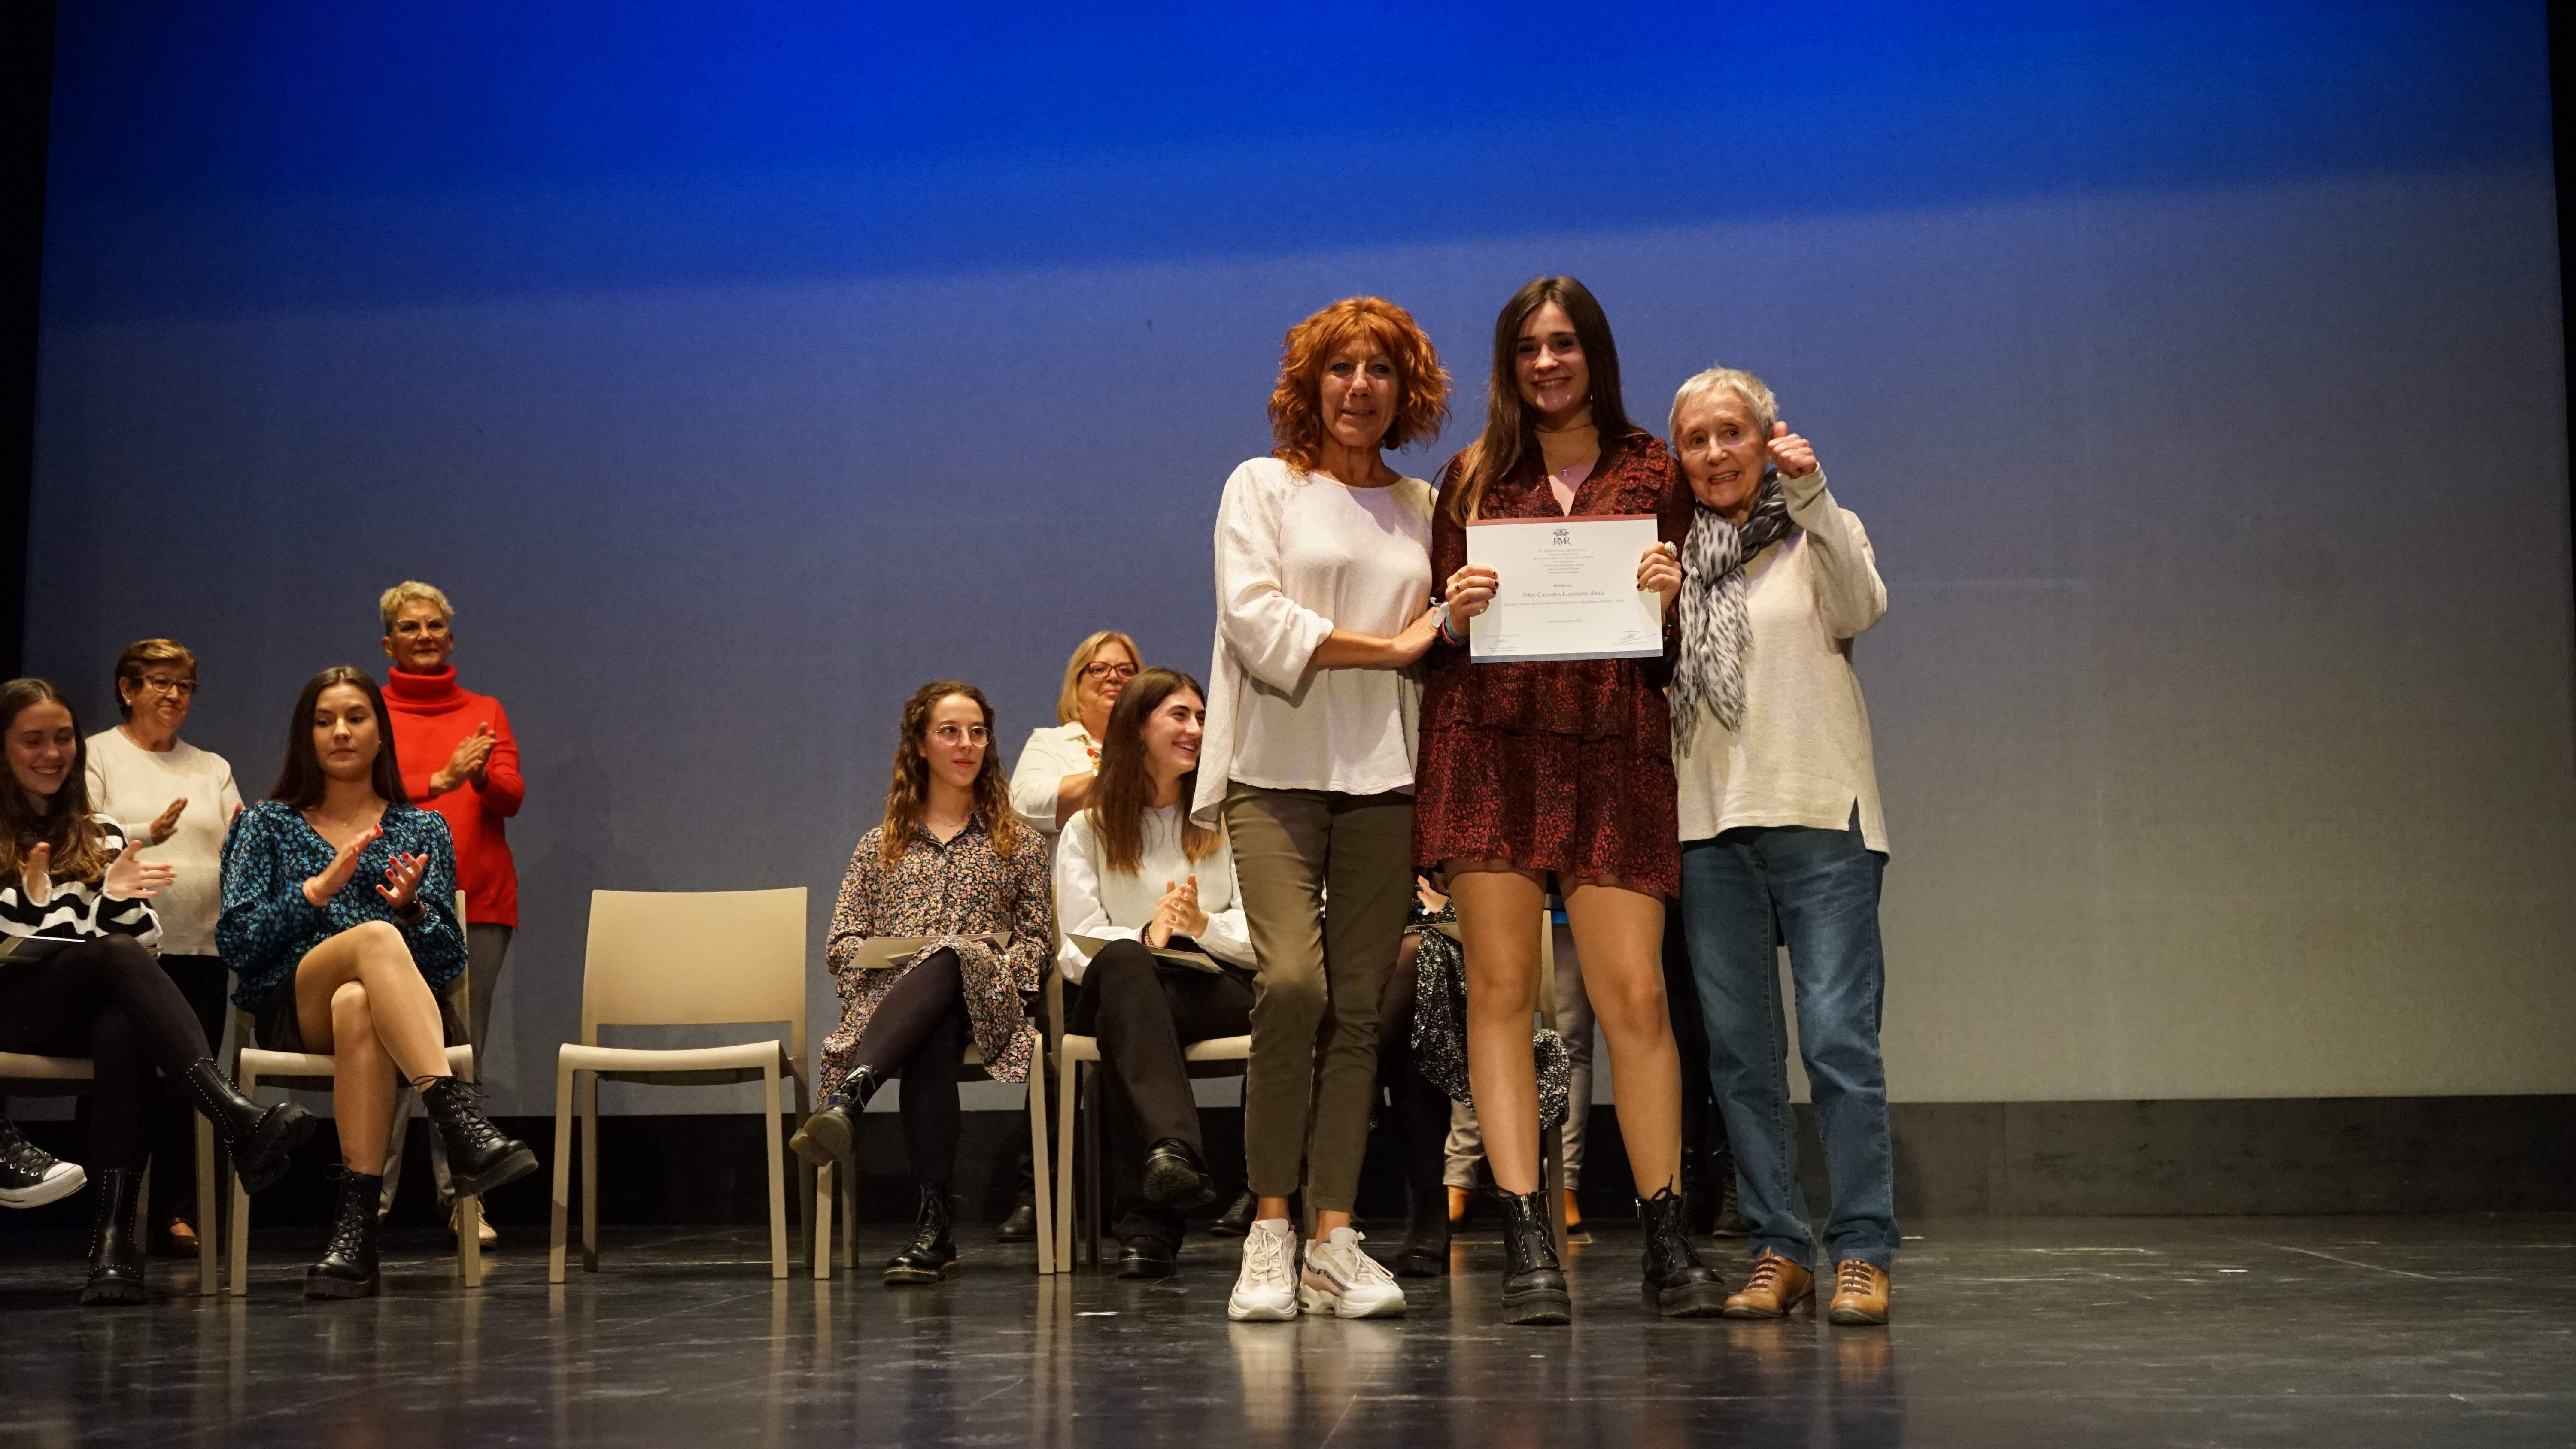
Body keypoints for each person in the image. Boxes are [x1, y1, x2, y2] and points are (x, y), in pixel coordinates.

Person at [1419, 275, 1727, 1325]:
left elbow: (1675, 648)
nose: (1547, 363)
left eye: (1564, 344)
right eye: (1527, 348)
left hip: (1611, 747)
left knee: (1634, 996)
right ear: (1509, 364)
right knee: (1502, 993)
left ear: (1594, 351)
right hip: (1490, 749)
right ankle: (1526, 1242)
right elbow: (1439, 651)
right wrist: (1453, 614)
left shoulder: (1654, 469)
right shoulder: (1468, 477)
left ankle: (1665, 1239)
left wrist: (1670, 597)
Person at [1198, 296, 1450, 1322]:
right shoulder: (1263, 486)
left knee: (1358, 1013)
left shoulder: (1424, 506)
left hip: (1383, 777)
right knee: (1292, 985)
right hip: (1273, 769)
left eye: (1379, 370)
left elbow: (1450, 629)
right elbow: (1255, 622)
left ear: (1404, 390)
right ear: (1309, 382)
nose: (1358, 386)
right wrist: (1389, 646)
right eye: (1339, 367)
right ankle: (1268, 1227)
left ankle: (1332, 1237)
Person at [1662, 366, 1897, 1325]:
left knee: (1840, 1042)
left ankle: (1864, 1249)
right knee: (1741, 1058)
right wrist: (1655, 604)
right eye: (1695, 440)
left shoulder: (1816, 532)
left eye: (1732, 434)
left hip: (1821, 812)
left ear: (1768, 439)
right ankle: (1776, 1246)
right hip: (1710, 825)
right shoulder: (1670, 559)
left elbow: (1864, 604)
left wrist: (1817, 491)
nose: (1715, 454)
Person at [217, 666, 537, 1300]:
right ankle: (455, 1117)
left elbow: (447, 965)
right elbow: (240, 944)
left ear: (380, 735)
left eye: (356, 718)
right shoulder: (265, 825)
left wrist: (415, 908)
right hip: (293, 1003)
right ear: (304, 737)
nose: (341, 732)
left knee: (359, 1000)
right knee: (374, 939)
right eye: (325, 720)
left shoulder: (421, 830)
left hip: (390, 1016)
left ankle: (355, 1238)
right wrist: (316, 893)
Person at [0, 678, 314, 1303]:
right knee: (111, 966)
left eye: (63, 738)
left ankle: (114, 1244)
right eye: (32, 740)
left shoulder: (104, 834)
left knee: (123, 1022)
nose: (52, 753)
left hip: (71, 1009)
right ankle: (232, 1115)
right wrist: (31, 905)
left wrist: (115, 902)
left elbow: (143, 950)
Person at [790, 680, 1054, 1286]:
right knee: (930, 1029)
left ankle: (851, 1098)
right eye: (950, 731)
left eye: (978, 732)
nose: (967, 745)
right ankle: (934, 1227)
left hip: (987, 1003)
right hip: (899, 1011)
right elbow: (841, 949)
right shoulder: (878, 847)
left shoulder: (1018, 844)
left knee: (953, 955)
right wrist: (904, 956)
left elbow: (1038, 947)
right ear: (920, 745)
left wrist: (982, 957)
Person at [1052, 667, 1255, 1279]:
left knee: (1130, 1018)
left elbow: (1263, 936)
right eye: (1180, 716)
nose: (1196, 729)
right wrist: (1145, 938)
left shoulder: (1228, 822)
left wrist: (1200, 926)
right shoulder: (1087, 829)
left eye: (1201, 717)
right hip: (1123, 988)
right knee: (1123, 972)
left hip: (1211, 988)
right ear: (1137, 728)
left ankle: (1150, 1216)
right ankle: (1173, 1153)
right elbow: (1073, 948)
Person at [81, 638, 243, 1253]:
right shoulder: (97, 755)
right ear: (127, 688)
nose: (174, 695)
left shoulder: (212, 767)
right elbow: (82, 837)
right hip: (124, 950)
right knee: (122, 1080)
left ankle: (176, 1211)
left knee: (187, 1083)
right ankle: (109, 1213)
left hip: (201, 947)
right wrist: (148, 832)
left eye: (184, 686)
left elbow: (238, 834)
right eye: (159, 682)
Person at [376, 581, 523, 1247]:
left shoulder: (485, 709)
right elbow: (361, 795)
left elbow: (511, 797)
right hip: (386, 905)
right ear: (389, 642)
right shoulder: (370, 711)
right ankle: (369, 1201)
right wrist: (438, 780)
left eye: (436, 625)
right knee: (385, 1057)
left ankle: (465, 1200)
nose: (426, 636)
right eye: (411, 628)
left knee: (462, 1056)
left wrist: (479, 772)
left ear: (451, 637)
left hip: (479, 903)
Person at [994, 629, 1139, 1243]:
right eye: (1098, 670)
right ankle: (1042, 1193)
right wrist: (1117, 770)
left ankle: (1133, 1194)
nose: (1113, 679)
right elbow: (1025, 804)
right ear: (1075, 687)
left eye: (1127, 670)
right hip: (1070, 927)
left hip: (1141, 918)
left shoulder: (1171, 739)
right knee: (1056, 1054)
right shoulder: (1054, 744)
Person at [1440, 909, 1595, 1240]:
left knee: (1570, 1041)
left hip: (1569, 895)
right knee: (1485, 1035)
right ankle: (1459, 1178)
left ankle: (1563, 1185)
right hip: (1496, 886)